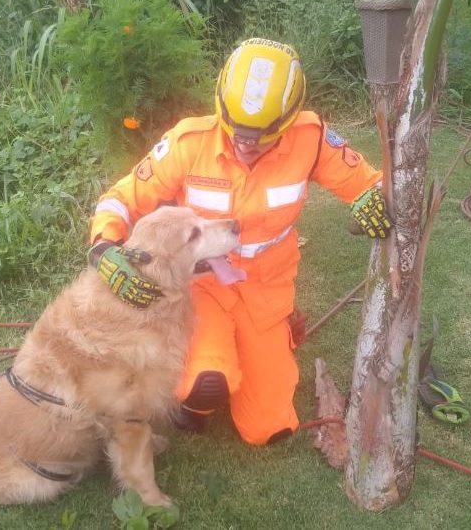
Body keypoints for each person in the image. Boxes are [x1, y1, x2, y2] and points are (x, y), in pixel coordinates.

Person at [87, 38, 391, 446]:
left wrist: (374, 197)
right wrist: (105, 248)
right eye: (237, 131)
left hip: (267, 288)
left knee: (268, 428)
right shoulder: (188, 144)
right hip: (204, 286)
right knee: (207, 378)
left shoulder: (312, 138)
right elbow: (120, 198)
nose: (245, 143)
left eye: (260, 136)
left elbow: (368, 183)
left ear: (287, 120)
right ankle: (196, 398)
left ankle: (262, 354)